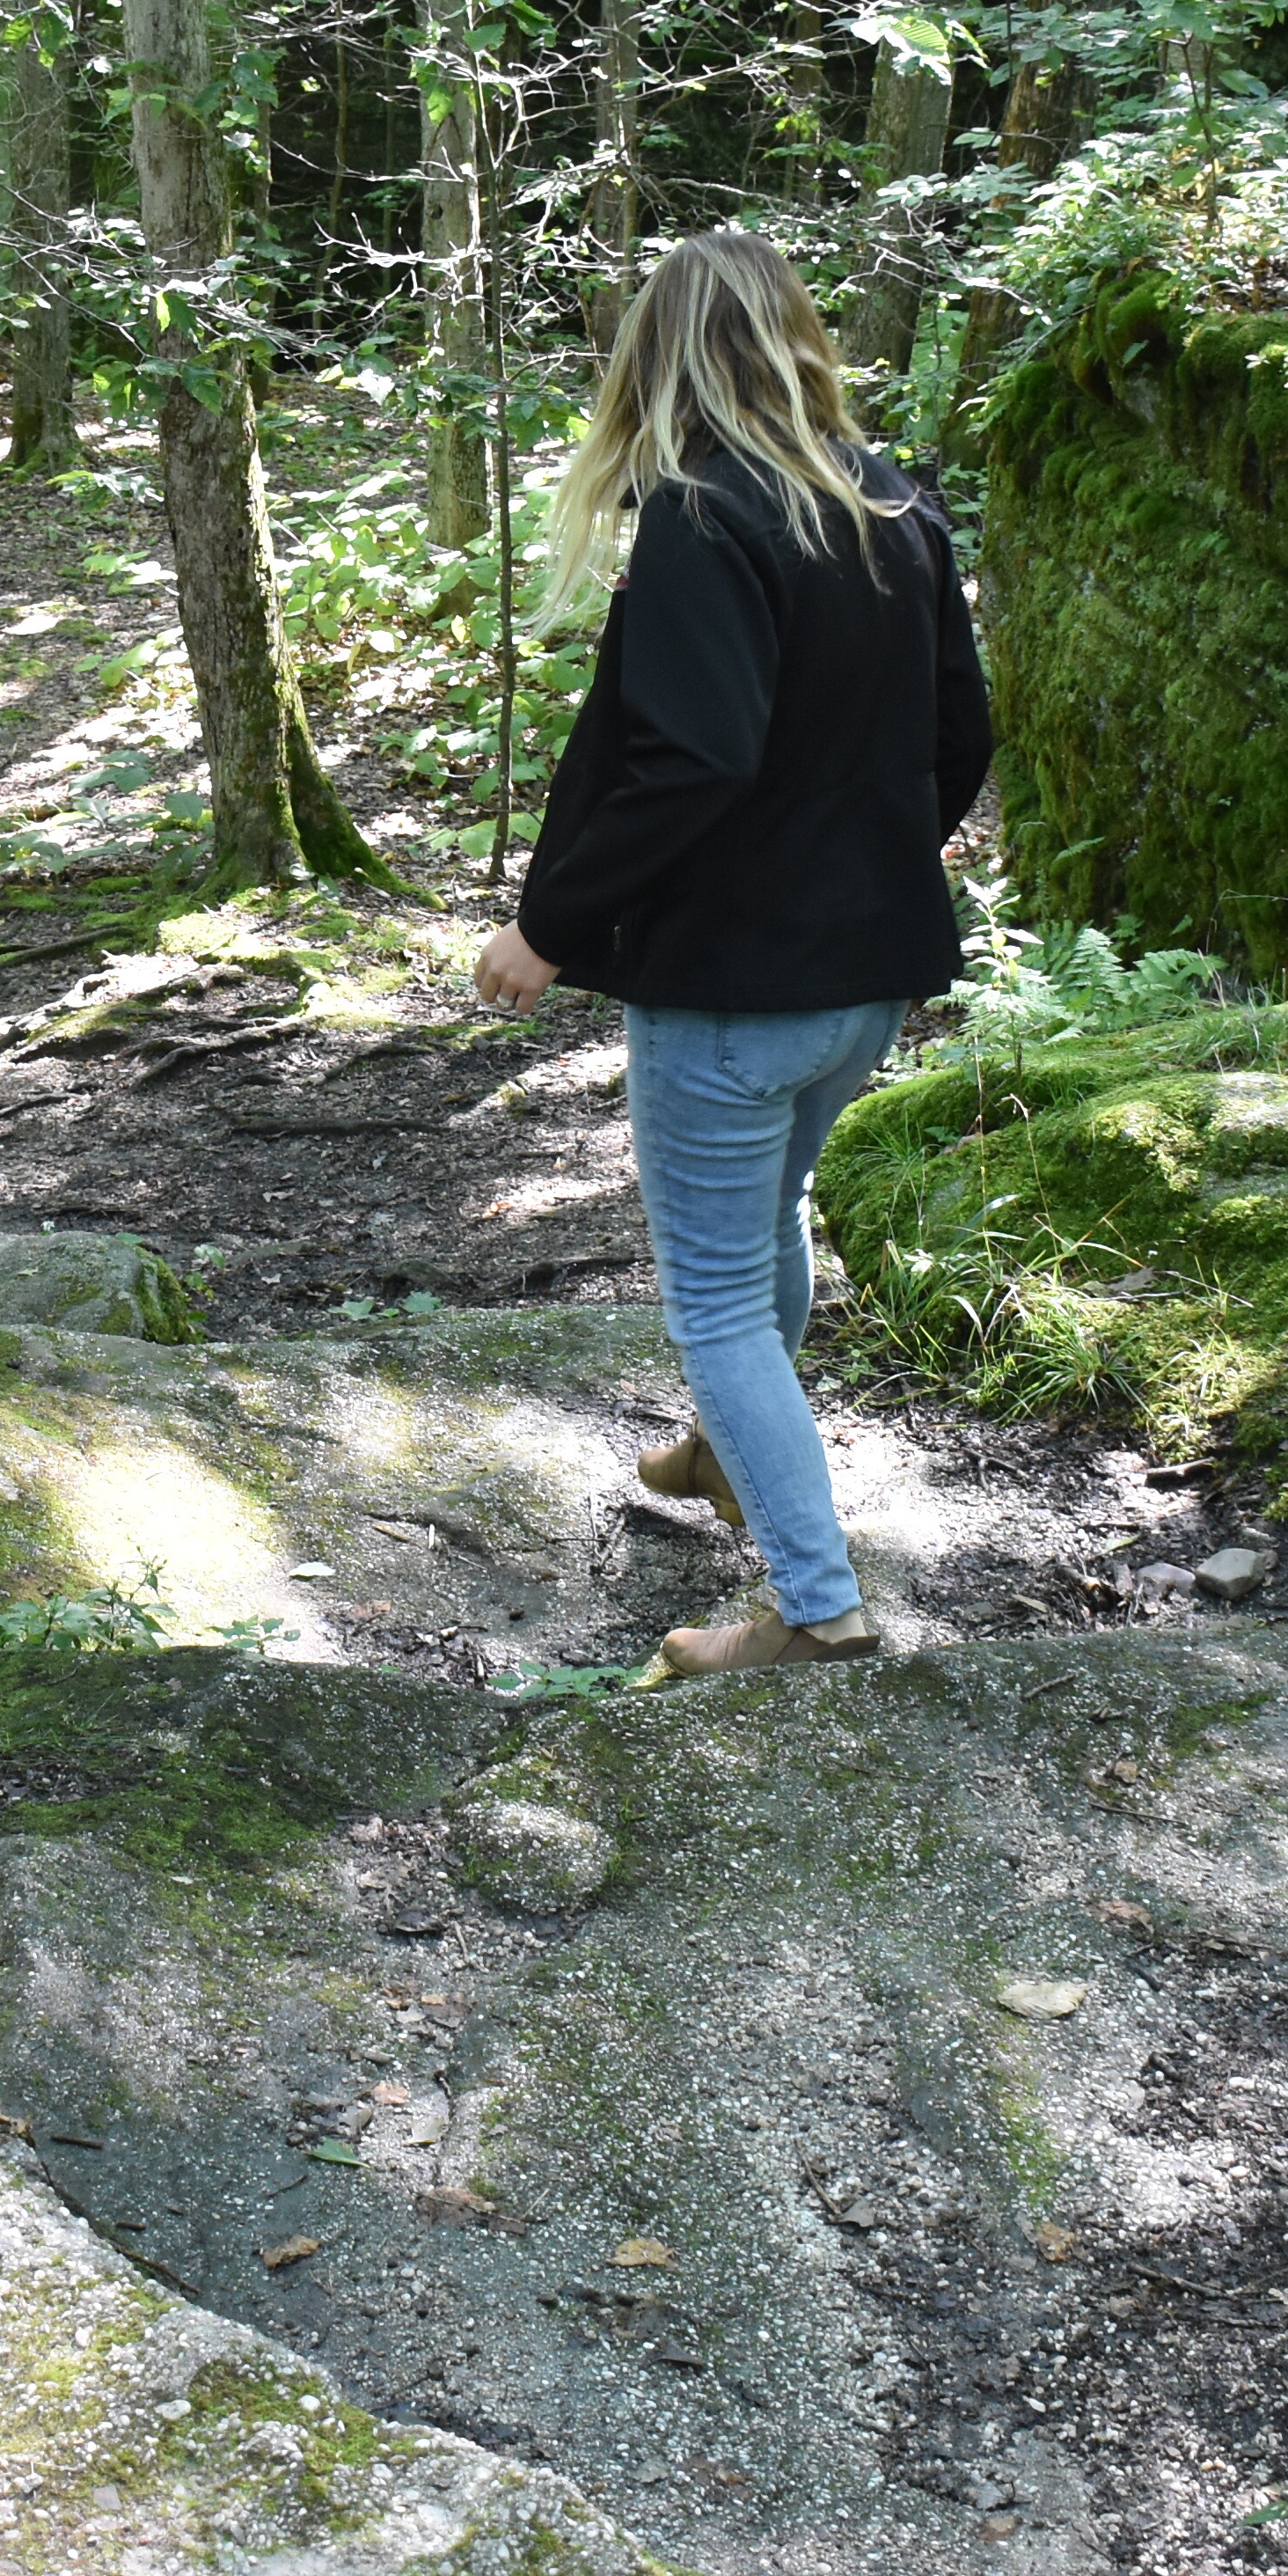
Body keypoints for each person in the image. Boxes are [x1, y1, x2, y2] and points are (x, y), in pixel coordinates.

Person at [472, 227, 995, 1677]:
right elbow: (964, 738)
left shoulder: (708, 513)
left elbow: (692, 760)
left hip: (733, 993)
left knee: (712, 1296)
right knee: (768, 1225)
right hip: (863, 985)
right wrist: (871, 864)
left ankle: (813, 1608)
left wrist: (550, 931)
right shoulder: (889, 500)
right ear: (797, 338)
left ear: (661, 356)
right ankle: (726, 1456)